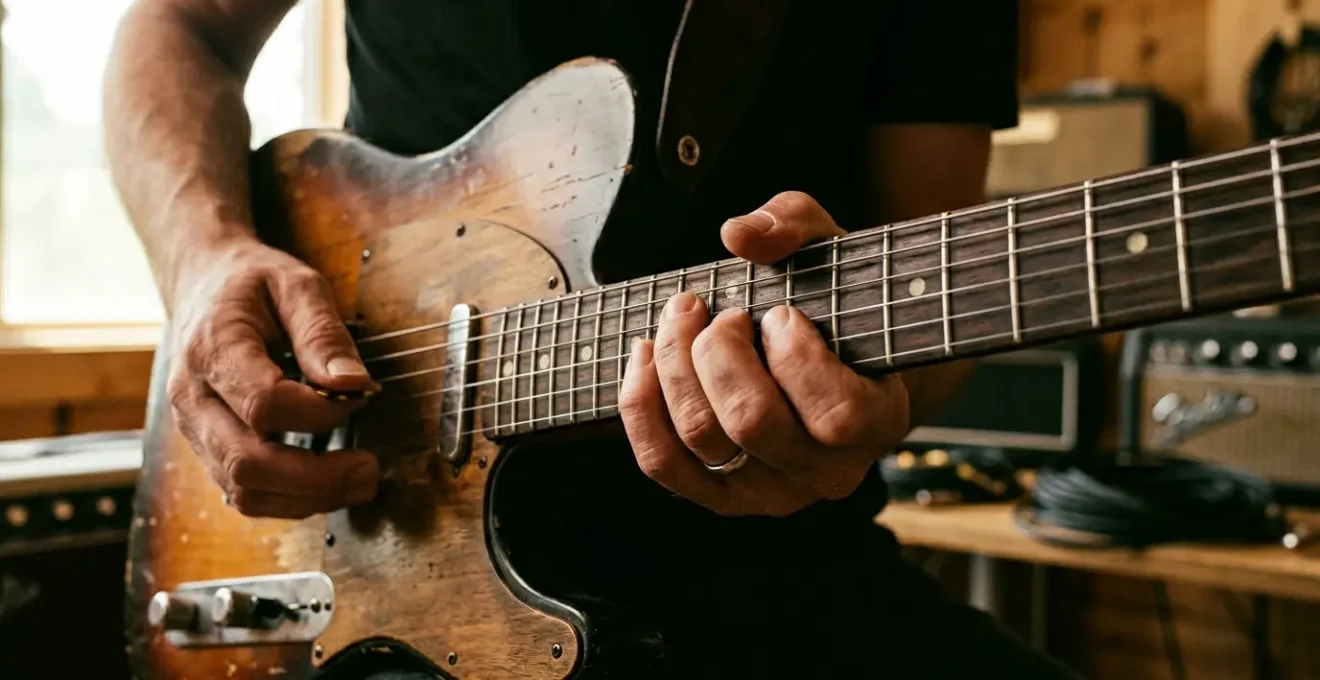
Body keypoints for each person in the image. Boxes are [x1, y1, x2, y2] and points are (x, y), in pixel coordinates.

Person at [104, 1, 1081, 678]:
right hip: (380, 581)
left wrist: (852, 408)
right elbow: (177, 21)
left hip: (777, 572)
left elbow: (934, 316)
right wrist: (204, 261)